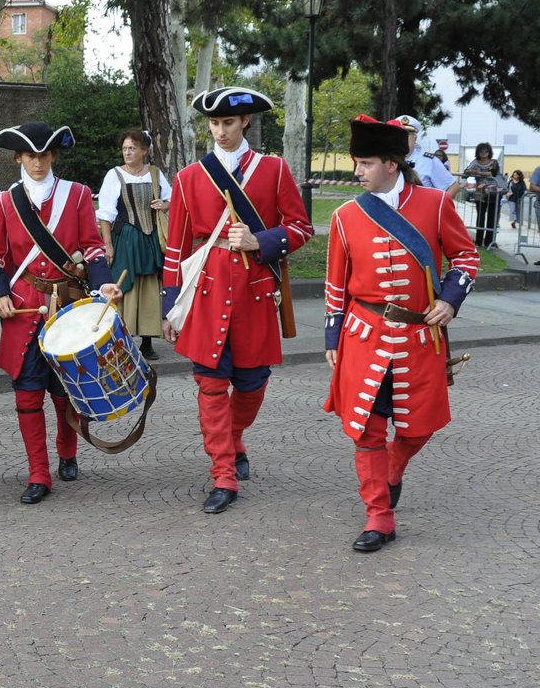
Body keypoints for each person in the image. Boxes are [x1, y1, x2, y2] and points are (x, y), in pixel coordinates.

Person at [324, 116, 479, 553]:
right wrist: (332, 339)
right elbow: (336, 285)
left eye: (366, 163)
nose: (357, 172)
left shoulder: (434, 203)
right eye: (357, 163)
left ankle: (393, 468)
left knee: (418, 429)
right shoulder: (344, 215)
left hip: (418, 338)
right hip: (363, 335)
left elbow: (466, 258)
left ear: (392, 164)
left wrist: (450, 299)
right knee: (365, 431)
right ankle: (379, 517)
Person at [162, 87, 314, 514]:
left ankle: (233, 437)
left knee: (252, 385)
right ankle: (223, 474)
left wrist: (259, 240)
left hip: (256, 295)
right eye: (213, 124)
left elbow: (302, 228)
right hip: (206, 295)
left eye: (228, 123)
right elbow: (175, 248)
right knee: (210, 385)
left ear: (246, 122)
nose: (220, 131)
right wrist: (170, 306)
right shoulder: (190, 177)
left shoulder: (274, 169)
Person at [0, 121, 120, 505]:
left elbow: (92, 248)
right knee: (27, 394)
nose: (37, 163)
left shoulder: (76, 195)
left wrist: (103, 282)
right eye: (30, 156)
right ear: (19, 158)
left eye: (43, 155)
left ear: (53, 156)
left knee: (64, 392)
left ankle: (67, 450)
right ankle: (38, 473)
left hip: (69, 302)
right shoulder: (5, 202)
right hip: (25, 307)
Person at [97, 129, 171, 361]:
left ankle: (147, 341)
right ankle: (122, 340)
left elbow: (172, 199)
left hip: (150, 237)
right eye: (125, 148)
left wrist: (164, 205)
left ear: (144, 151)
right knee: (125, 285)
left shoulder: (156, 174)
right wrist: (107, 244)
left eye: (132, 148)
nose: (127, 152)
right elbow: (106, 214)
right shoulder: (115, 175)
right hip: (126, 238)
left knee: (150, 284)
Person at [395, 115, 457, 195]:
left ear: (415, 138)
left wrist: (438, 207)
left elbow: (453, 187)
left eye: (407, 134)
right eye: (399, 134)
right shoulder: (386, 159)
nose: (402, 138)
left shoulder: (429, 161)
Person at [462, 142, 502, 248]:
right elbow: (466, 171)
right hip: (480, 191)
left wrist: (477, 172)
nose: (484, 153)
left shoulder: (494, 162)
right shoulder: (475, 162)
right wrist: (472, 171)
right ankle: (479, 241)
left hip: (493, 191)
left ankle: (489, 242)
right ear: (478, 152)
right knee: (480, 216)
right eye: (481, 151)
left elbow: (492, 173)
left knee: (492, 217)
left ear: (490, 152)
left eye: (486, 151)